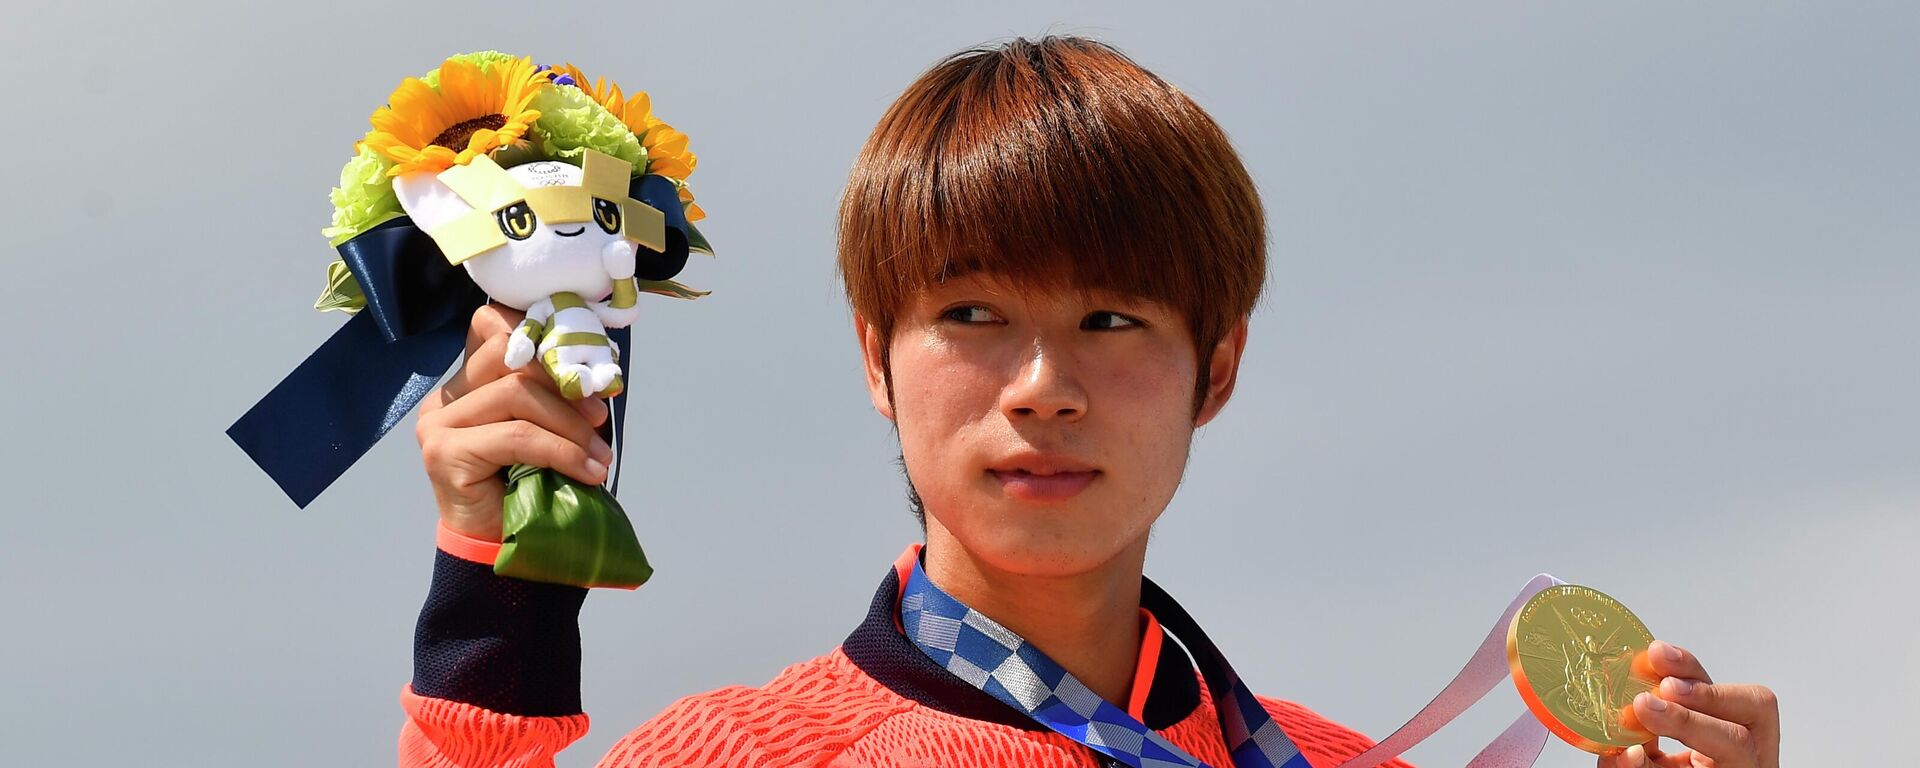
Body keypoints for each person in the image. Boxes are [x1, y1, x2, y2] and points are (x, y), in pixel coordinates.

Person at [401, 36, 1781, 768]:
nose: (1044, 388)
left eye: (1112, 321)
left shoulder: (1334, 766)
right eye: (974, 318)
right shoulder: (743, 756)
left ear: (1217, 369)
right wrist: (490, 597)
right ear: (876, 358)